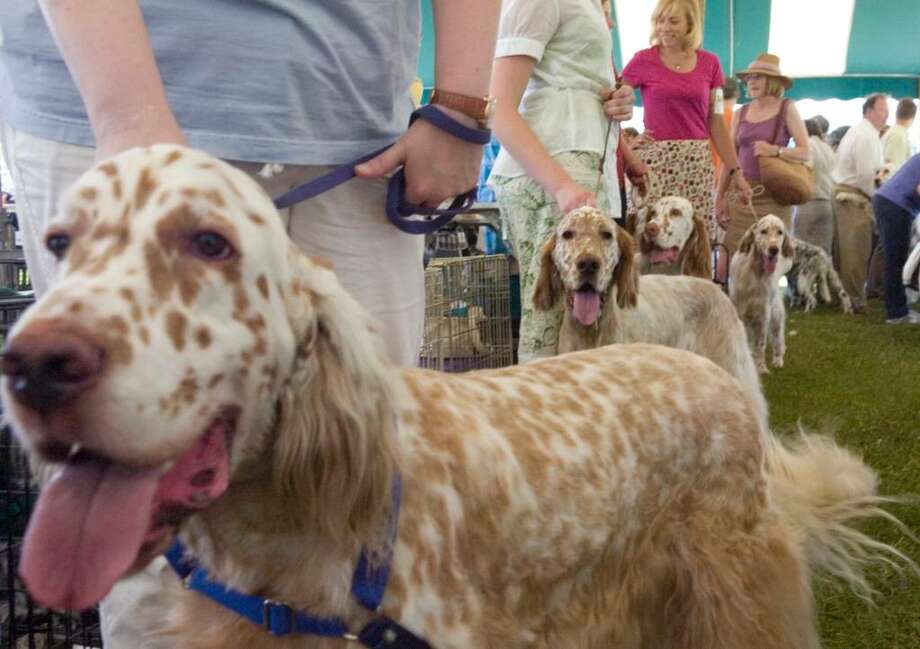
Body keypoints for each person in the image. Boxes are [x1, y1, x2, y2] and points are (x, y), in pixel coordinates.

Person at [0, 1, 500, 646]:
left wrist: (459, 105)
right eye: (67, 244)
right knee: (131, 486)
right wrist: (129, 119)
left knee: (356, 494)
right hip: (91, 92)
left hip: (354, 125)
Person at [488, 0, 634, 363]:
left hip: (581, 163)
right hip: (555, 169)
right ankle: (538, 416)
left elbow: (569, 74)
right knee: (547, 316)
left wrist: (616, 99)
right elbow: (497, 106)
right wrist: (561, 186)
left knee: (577, 323)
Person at [622, 0, 752, 243]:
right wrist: (628, 144)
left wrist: (736, 172)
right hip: (656, 163)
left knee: (695, 239)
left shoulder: (710, 63)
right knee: (650, 239)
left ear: (690, 25)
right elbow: (614, 99)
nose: (664, 27)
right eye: (659, 20)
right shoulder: (642, 60)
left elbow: (716, 122)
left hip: (697, 162)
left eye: (673, 20)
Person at [717, 53, 810, 255]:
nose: (752, 81)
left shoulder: (787, 108)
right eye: (749, 78)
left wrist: (775, 150)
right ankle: (724, 288)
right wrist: (720, 197)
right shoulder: (740, 112)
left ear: (773, 81)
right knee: (730, 254)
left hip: (774, 196)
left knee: (772, 257)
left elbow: (805, 152)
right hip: (741, 195)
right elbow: (729, 157)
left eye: (758, 76)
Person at [831, 93, 888, 312]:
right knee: (856, 250)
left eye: (886, 111)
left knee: (843, 250)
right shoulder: (867, 136)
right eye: (882, 111)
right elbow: (866, 176)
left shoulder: (860, 131)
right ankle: (855, 300)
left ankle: (842, 296)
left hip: (845, 193)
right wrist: (877, 198)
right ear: (869, 111)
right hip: (854, 196)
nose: (885, 116)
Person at [872, 153, 920, 324]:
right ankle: (897, 313)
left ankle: (897, 308)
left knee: (894, 259)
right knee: (895, 260)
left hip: (889, 201)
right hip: (896, 205)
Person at [793, 116, 836, 255]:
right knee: (823, 253)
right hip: (827, 204)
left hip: (809, 204)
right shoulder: (827, 147)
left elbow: (806, 171)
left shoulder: (807, 145)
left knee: (800, 250)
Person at [881, 98, 917, 172]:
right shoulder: (898, 136)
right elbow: (893, 171)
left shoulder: (893, 132)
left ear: (896, 113)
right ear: (912, 117)